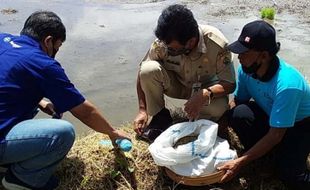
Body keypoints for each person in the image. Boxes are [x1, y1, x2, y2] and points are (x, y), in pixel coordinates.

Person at [0, 11, 130, 190]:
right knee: (63, 133)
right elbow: (84, 111)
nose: (55, 53)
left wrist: (40, 101)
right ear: (48, 41)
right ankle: (20, 180)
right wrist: (112, 133)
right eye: (57, 47)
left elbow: (7, 80)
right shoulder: (43, 64)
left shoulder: (3, 40)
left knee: (30, 105)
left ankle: (6, 162)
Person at [217, 20, 310, 190]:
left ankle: (282, 157)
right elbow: (238, 101)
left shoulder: (288, 85)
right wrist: (220, 125)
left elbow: (276, 135)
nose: (240, 57)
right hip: (272, 115)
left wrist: (240, 161)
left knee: (291, 177)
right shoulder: (247, 70)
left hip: (300, 125)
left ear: (264, 56)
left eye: (245, 52)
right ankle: (267, 154)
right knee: (238, 113)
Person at [133, 4, 236, 141]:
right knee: (148, 70)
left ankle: (198, 121)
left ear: (191, 41)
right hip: (176, 85)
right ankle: (160, 117)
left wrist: (206, 94)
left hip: (205, 87)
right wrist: (142, 110)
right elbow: (142, 73)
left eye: (173, 50)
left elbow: (230, 84)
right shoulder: (163, 44)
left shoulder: (216, 43)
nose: (168, 50)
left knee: (219, 109)